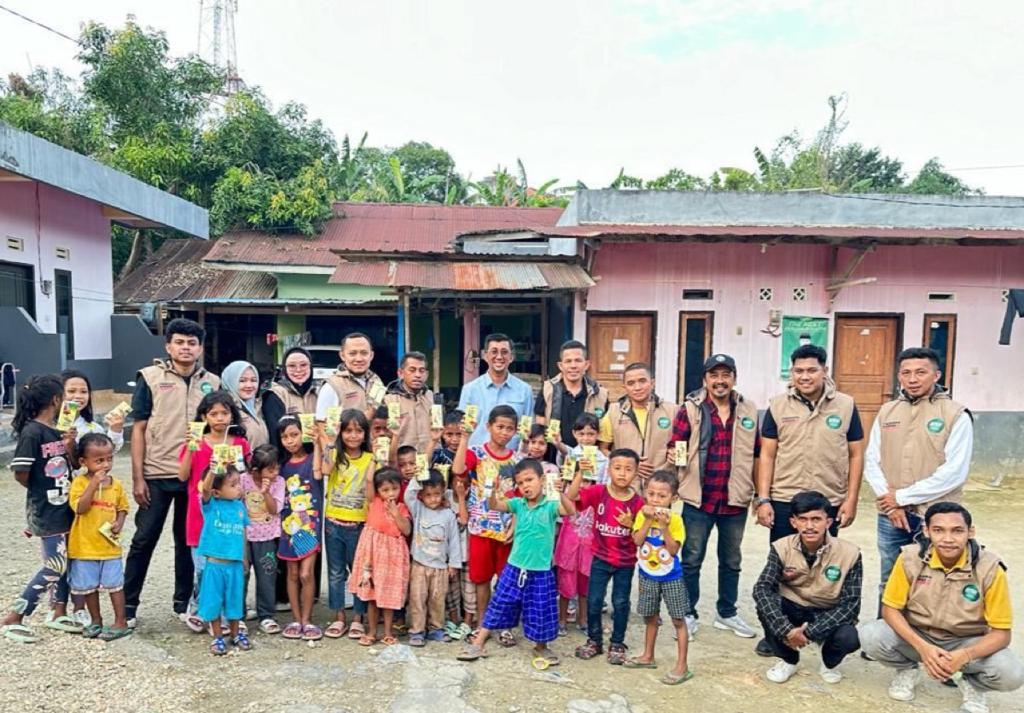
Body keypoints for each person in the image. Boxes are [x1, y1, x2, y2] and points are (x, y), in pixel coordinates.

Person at [860, 502, 1023, 712]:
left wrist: (963, 656)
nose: (947, 539)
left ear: (970, 532)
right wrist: (923, 648)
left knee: (1012, 674)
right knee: (870, 635)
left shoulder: (990, 568)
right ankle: (907, 670)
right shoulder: (910, 558)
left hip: (965, 641)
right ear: (926, 531)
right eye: (938, 530)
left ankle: (972, 684)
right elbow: (890, 610)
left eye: (957, 531)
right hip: (919, 636)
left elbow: (1001, 634)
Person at [753, 345, 863, 655]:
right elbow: (768, 454)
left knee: (823, 567)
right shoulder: (777, 406)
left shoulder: (846, 405)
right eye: (798, 371)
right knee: (781, 570)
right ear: (791, 373)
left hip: (828, 500)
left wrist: (851, 499)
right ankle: (775, 632)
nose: (804, 376)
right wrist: (763, 499)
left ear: (824, 371)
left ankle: (819, 627)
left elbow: (856, 454)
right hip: (786, 499)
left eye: (811, 370)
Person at [124, 318, 220, 627]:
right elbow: (138, 429)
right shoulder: (150, 378)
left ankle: (183, 603)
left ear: (200, 348)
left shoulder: (213, 383)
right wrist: (138, 477)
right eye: (180, 342)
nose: (186, 348)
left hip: (194, 476)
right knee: (144, 540)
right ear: (168, 346)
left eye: (192, 343)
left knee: (187, 541)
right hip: (156, 473)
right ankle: (127, 606)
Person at [864, 347, 973, 597]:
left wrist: (901, 498)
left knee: (933, 581)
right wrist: (891, 504)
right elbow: (873, 460)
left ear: (936, 375)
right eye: (906, 373)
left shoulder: (955, 414)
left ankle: (925, 635)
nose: (912, 379)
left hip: (936, 517)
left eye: (920, 372)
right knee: (890, 579)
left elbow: (954, 471)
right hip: (891, 516)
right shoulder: (888, 411)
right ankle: (888, 633)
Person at [668, 353, 760, 641]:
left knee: (731, 559)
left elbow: (757, 454)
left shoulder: (748, 409)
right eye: (714, 376)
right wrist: (675, 480)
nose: (720, 381)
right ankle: (688, 613)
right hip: (699, 499)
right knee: (692, 558)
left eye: (725, 375)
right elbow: (676, 447)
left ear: (734, 377)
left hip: (735, 498)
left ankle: (727, 612)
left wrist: (759, 494)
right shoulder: (690, 410)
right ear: (705, 380)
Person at [457, 459, 574, 666]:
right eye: (520, 483)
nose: (525, 486)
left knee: (541, 608)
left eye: (529, 480)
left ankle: (541, 647)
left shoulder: (550, 505)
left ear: (542, 479)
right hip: (514, 566)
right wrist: (492, 491)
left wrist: (562, 492)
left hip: (541, 570)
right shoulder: (518, 505)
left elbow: (570, 511)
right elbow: (494, 505)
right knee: (499, 602)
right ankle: (479, 642)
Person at [752, 490, 862, 685]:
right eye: (803, 519)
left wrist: (809, 633)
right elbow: (762, 588)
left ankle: (829, 662)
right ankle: (789, 660)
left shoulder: (850, 553)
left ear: (828, 522)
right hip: (793, 606)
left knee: (849, 636)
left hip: (827, 611)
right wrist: (786, 630)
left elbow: (850, 605)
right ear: (793, 522)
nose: (809, 526)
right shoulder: (781, 547)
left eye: (816, 519)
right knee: (766, 606)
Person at [1, 375, 77, 643]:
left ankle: (58, 611)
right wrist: (39, 491)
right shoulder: (32, 432)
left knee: (66, 561)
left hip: (64, 506)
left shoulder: (56, 430)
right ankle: (16, 614)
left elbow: (72, 465)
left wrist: (69, 446)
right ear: (56, 399)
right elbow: (21, 472)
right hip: (46, 509)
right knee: (55, 565)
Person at [177, 391, 250, 632]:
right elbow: (182, 476)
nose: (219, 418)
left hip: (231, 518)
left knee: (231, 566)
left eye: (224, 413)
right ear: (203, 417)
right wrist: (190, 446)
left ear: (232, 415)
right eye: (213, 413)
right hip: (202, 514)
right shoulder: (197, 442)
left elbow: (246, 475)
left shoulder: (240, 443)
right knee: (203, 569)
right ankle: (207, 613)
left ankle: (228, 616)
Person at [452, 404, 522, 643]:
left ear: (515, 431)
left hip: (505, 531)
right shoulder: (476, 453)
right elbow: (458, 469)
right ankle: (483, 623)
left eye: (509, 429)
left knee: (505, 580)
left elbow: (520, 498)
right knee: (481, 579)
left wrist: (514, 523)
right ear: (488, 426)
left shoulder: (517, 460)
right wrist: (464, 438)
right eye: (499, 427)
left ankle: (504, 625)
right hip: (480, 527)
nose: (504, 432)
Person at [569, 448, 645, 665]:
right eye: (617, 468)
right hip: (600, 558)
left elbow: (641, 536)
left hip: (625, 561)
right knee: (593, 601)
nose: (622, 473)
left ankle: (617, 643)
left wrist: (632, 525)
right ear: (608, 469)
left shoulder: (639, 503)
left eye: (628, 469)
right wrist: (580, 474)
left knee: (620, 603)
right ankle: (594, 641)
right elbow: (571, 498)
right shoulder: (599, 492)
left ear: (636, 473)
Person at [625, 470, 693, 686]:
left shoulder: (676, 520)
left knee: (678, 620)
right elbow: (637, 541)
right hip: (647, 575)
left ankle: (682, 665)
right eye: (651, 494)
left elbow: (672, 551)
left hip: (671, 577)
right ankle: (648, 656)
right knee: (650, 617)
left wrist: (663, 526)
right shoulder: (642, 514)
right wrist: (646, 520)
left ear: (673, 499)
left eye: (661, 496)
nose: (655, 499)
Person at [68, 433, 131, 641]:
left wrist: (118, 524)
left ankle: (120, 621)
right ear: (83, 462)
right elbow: (80, 508)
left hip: (109, 546)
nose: (106, 464)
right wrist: (93, 483)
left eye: (109, 458)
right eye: (99, 460)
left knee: (115, 585)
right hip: (84, 546)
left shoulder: (116, 484)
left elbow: (122, 508)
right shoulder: (79, 483)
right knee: (88, 587)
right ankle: (96, 620)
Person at [323, 409, 374, 641]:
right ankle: (339, 616)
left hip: (358, 524)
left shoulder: (371, 459)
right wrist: (325, 441)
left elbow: (373, 495)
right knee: (335, 573)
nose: (353, 436)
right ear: (341, 432)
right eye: (348, 430)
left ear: (365, 434)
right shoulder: (336, 455)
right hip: (333, 521)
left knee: (359, 572)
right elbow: (325, 470)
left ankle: (358, 617)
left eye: (358, 431)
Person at [552, 414, 604, 635]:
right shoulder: (571, 459)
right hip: (569, 542)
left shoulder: (603, 462)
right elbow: (568, 492)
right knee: (565, 584)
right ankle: (562, 619)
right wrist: (578, 474)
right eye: (581, 433)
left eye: (591, 433)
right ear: (574, 433)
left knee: (586, 583)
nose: (586, 437)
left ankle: (583, 619)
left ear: (598, 435)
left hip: (589, 543)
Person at [350, 468, 412, 646]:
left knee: (388, 596)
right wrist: (376, 458)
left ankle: (387, 632)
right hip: (372, 555)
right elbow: (369, 480)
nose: (390, 493)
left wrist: (395, 512)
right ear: (378, 491)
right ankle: (371, 632)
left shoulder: (402, 508)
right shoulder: (374, 502)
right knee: (372, 596)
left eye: (394, 489)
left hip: (392, 556)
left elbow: (406, 530)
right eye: (385, 490)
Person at [194, 465, 251, 656]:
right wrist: (213, 468)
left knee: (234, 602)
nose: (239, 488)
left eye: (238, 484)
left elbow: (243, 532)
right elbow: (205, 489)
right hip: (215, 565)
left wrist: (244, 557)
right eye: (233, 485)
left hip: (234, 565)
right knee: (213, 602)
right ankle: (217, 636)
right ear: (217, 492)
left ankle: (235, 634)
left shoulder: (239, 506)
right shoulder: (211, 506)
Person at [276, 415, 324, 641]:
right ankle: (295, 619)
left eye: (294, 435)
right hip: (288, 527)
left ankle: (307, 619)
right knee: (292, 573)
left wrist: (317, 441)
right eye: (284, 436)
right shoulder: (281, 466)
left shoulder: (313, 459)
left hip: (310, 527)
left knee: (306, 573)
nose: (289, 440)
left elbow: (318, 473)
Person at [404, 469, 462, 647]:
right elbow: (408, 494)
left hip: (440, 567)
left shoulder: (448, 514)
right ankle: (417, 631)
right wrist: (418, 475)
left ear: (443, 491)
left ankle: (436, 628)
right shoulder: (418, 509)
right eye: (428, 495)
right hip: (420, 565)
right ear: (422, 495)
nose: (433, 499)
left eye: (437, 494)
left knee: (437, 599)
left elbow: (454, 541)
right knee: (417, 599)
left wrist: (453, 564)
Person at [597, 362, 676, 484]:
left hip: (662, 486)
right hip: (627, 487)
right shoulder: (614, 412)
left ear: (652, 383)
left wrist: (674, 454)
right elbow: (603, 449)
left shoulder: (672, 411)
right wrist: (628, 464)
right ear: (624, 387)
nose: (637, 387)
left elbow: (683, 445)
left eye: (642, 381)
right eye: (631, 383)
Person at [458, 333, 535, 449]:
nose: (499, 357)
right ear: (485, 355)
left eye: (504, 352)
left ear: (511, 357)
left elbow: (528, 429)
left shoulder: (524, 390)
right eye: (494, 352)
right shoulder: (470, 390)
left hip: (512, 460)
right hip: (477, 459)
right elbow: (462, 429)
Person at [241, 444, 284, 635]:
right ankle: (237, 615)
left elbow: (274, 510)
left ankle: (266, 615)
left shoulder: (279, 482)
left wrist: (266, 492)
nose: (275, 472)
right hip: (244, 536)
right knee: (241, 575)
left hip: (267, 536)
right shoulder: (243, 480)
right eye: (270, 469)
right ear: (256, 470)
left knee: (267, 576)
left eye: (277, 467)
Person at [534, 340, 609, 447]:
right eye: (568, 361)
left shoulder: (600, 394)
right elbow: (540, 426)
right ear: (560, 365)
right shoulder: (547, 390)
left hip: (587, 458)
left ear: (586, 364)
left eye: (578, 360)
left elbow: (605, 433)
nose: (573, 366)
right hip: (553, 456)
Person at [316, 332, 387, 422]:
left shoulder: (376, 381)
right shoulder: (332, 386)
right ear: (342, 355)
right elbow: (321, 426)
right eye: (352, 354)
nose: (359, 359)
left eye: (364, 353)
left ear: (371, 355)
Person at [263, 347, 320, 448]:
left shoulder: (316, 393)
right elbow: (275, 435)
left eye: (303, 365)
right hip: (290, 459)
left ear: (310, 367)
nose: (298, 370)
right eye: (292, 366)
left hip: (317, 455)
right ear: (285, 369)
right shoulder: (276, 395)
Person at [61, 369, 126, 454]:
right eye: (71, 391)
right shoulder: (47, 426)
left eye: (84, 392)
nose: (78, 396)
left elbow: (106, 453)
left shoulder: (93, 428)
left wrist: (115, 431)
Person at [383, 351, 435, 453]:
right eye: (412, 370)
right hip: (402, 461)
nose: (417, 375)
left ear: (427, 374)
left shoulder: (431, 397)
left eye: (421, 371)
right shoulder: (389, 400)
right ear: (401, 373)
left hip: (431, 458)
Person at [222, 360, 269, 448]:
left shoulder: (259, 407)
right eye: (242, 381)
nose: (249, 385)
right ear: (231, 382)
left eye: (253, 380)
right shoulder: (226, 410)